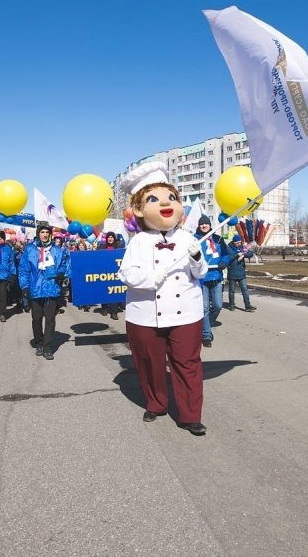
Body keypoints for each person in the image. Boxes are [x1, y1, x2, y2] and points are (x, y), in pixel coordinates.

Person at [118, 161, 210, 436]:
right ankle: (156, 404)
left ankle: (190, 415)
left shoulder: (186, 238)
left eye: (171, 198)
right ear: (138, 209)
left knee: (188, 363)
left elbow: (200, 272)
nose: (166, 204)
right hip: (144, 314)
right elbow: (126, 274)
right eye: (154, 199)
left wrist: (196, 257)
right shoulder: (138, 242)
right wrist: (150, 278)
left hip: (186, 313)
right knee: (150, 364)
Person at [18, 223, 69, 360]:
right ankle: (39, 342)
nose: (45, 235)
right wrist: (24, 287)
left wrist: (61, 273)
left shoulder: (57, 250)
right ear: (38, 234)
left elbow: (65, 265)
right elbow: (23, 270)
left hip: (52, 289)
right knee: (36, 318)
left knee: (50, 319)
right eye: (42, 232)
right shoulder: (30, 250)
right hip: (35, 289)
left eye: (47, 232)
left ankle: (47, 346)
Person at [196, 215, 230, 348]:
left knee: (217, 306)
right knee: (204, 307)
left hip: (216, 276)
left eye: (206, 223)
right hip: (202, 278)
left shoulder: (218, 239)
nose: (204, 226)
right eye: (201, 224)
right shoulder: (195, 240)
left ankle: (205, 327)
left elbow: (226, 255)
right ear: (198, 226)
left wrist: (223, 262)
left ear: (210, 225)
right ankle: (206, 335)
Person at [95, 230, 123, 319]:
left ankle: (114, 312)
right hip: (104, 273)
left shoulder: (119, 247)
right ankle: (104, 308)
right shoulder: (101, 247)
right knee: (104, 291)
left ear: (114, 239)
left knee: (113, 293)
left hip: (115, 274)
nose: (110, 239)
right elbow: (96, 258)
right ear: (106, 239)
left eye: (112, 237)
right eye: (109, 237)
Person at [226, 235, 256, 311]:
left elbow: (250, 254)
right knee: (232, 290)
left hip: (241, 272)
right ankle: (231, 305)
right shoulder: (228, 248)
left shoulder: (242, 247)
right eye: (237, 243)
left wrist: (243, 254)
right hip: (232, 271)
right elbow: (228, 259)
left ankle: (247, 305)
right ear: (233, 242)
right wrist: (237, 255)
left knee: (245, 289)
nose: (239, 244)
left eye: (240, 242)